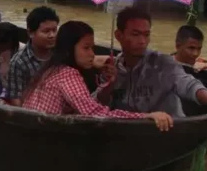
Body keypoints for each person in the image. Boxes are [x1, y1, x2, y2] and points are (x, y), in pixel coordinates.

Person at [96, 8, 207, 131]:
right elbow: (98, 108)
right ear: (119, 36)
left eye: (146, 34)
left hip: (169, 132)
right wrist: (110, 84)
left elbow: (188, 84)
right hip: (131, 135)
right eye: (136, 34)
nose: (142, 41)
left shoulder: (161, 63)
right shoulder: (111, 68)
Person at [22, 21, 172, 130]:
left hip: (35, 132)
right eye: (86, 48)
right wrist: (145, 116)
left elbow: (85, 103)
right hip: (45, 138)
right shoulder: (67, 74)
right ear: (69, 49)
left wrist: (109, 84)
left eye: (92, 48)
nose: (92, 54)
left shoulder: (52, 68)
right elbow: (95, 113)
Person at [7, 6, 60, 106]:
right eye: (46, 31)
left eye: (54, 30)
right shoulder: (18, 62)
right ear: (31, 33)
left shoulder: (61, 53)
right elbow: (15, 99)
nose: (52, 35)